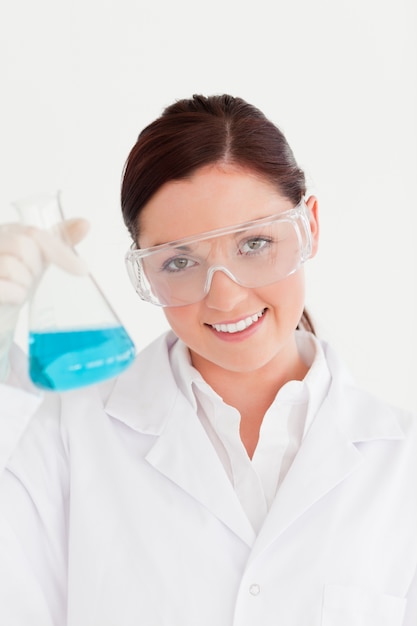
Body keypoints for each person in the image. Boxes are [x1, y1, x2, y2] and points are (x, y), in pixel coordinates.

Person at [0, 94, 416, 626]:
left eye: (255, 243)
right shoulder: (68, 433)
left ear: (309, 225)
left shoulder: (403, 469)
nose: (224, 298)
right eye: (179, 261)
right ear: (144, 271)